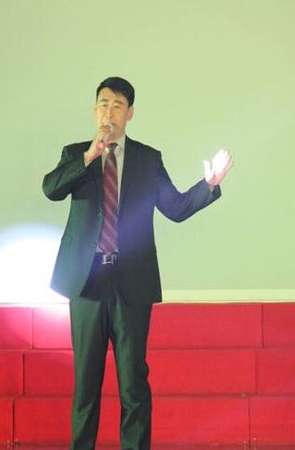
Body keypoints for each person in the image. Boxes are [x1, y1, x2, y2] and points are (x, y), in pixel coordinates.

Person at [42, 77, 233, 450]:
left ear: (130, 113)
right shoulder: (77, 154)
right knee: (86, 385)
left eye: (117, 105)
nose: (109, 112)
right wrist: (90, 156)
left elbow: (175, 208)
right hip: (87, 283)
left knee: (133, 385)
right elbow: (51, 189)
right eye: (103, 104)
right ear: (94, 110)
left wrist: (208, 184)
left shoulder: (148, 159)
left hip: (131, 283)